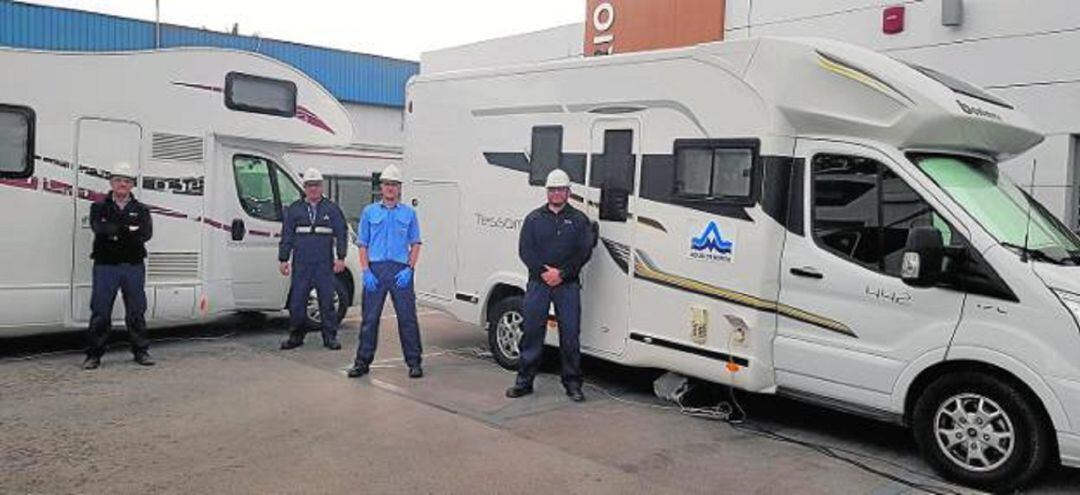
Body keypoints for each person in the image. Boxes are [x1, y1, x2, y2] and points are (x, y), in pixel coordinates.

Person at [506, 169, 594, 402]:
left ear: (568, 192)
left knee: (570, 335)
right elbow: (526, 251)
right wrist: (544, 273)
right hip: (538, 284)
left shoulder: (579, 220)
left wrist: (562, 274)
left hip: (568, 285)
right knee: (532, 332)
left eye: (561, 190)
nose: (556, 193)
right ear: (547, 192)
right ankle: (524, 382)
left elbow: (584, 252)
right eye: (552, 189)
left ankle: (573, 384)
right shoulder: (534, 218)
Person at [347, 164, 424, 379]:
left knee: (407, 318)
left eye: (394, 184)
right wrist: (365, 271)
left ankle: (414, 362)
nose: (390, 188)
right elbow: (363, 244)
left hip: (401, 271)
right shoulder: (369, 212)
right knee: (369, 319)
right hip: (376, 269)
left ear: (399, 188)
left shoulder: (409, 213)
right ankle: (362, 363)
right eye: (387, 184)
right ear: (382, 187)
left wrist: (410, 268)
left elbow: (416, 243)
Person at [83, 162, 154, 370]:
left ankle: (141, 351)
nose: (122, 184)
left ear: (132, 185)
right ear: (111, 183)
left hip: (133, 266)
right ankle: (94, 355)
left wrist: (115, 231)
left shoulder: (141, 209)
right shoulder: (98, 207)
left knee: (136, 311)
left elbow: (145, 234)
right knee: (100, 312)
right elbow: (100, 229)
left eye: (127, 181)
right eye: (118, 180)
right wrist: (128, 230)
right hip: (106, 266)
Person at [278, 168, 349, 351]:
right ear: (304, 188)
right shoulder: (295, 210)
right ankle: (296, 336)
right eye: (310, 186)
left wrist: (341, 257)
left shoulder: (331, 209)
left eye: (316, 185)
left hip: (323, 264)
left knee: (326, 301)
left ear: (321, 186)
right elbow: (287, 235)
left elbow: (342, 233)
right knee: (297, 301)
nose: (313, 189)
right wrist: (283, 259)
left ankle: (330, 337)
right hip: (302, 263)